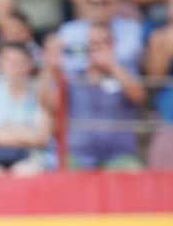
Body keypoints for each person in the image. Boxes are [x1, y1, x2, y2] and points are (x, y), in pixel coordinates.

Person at [56, 23, 146, 171]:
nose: (97, 48)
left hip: (119, 154)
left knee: (133, 170)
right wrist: (53, 68)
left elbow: (138, 95)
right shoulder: (74, 75)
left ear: (113, 45)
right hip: (80, 154)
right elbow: (50, 103)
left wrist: (111, 65)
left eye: (103, 43)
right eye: (92, 44)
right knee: (62, 169)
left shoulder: (125, 71)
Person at [0, 43, 52, 175]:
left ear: (29, 65)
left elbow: (41, 138)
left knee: (27, 172)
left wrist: (2, 133)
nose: (15, 67)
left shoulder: (40, 91)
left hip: (30, 156)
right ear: (0, 64)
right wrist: (23, 133)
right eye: (9, 61)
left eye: (20, 62)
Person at [54, 0, 144, 75]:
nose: (99, 8)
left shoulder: (132, 28)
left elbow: (126, 55)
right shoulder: (69, 30)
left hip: (122, 87)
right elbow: (65, 60)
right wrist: (99, 54)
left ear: (117, 3)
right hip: (79, 88)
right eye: (93, 2)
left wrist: (87, 53)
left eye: (104, 2)